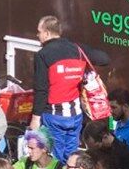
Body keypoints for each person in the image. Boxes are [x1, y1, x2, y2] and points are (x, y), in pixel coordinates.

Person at [32, 15, 95, 160]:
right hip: (76, 115)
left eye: (39, 32)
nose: (37, 35)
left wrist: (35, 118)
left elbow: (41, 89)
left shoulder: (42, 55)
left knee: (56, 157)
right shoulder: (77, 49)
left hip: (54, 116)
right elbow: (104, 59)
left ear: (47, 33)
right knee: (72, 156)